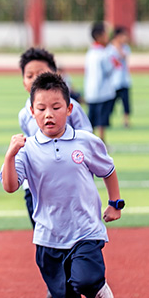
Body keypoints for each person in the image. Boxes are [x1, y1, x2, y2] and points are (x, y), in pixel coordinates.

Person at [0, 71, 123, 298]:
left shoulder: (85, 142)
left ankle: (96, 288)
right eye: (41, 109)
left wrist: (115, 204)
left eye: (56, 107)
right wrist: (9, 155)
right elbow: (10, 185)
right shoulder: (27, 150)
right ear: (31, 112)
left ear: (69, 109)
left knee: (85, 278)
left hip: (85, 229)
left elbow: (108, 170)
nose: (48, 114)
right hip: (48, 235)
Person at [19, 47, 93, 224]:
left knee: (74, 232)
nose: (36, 79)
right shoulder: (24, 114)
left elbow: (86, 137)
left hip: (69, 183)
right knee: (43, 235)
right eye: (29, 75)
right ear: (23, 82)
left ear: (56, 74)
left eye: (41, 73)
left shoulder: (71, 107)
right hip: (36, 186)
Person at [84, 22, 116, 142]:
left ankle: (90, 144)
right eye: (105, 33)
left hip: (91, 92)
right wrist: (114, 64)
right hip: (103, 92)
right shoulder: (104, 53)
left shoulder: (90, 52)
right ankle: (101, 144)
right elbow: (108, 69)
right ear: (99, 36)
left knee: (91, 121)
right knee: (101, 121)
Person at [109, 27, 133, 128]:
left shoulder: (125, 48)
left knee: (126, 102)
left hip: (124, 80)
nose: (125, 38)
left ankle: (126, 121)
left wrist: (119, 46)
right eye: (123, 36)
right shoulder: (109, 48)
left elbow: (123, 56)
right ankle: (107, 119)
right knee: (110, 103)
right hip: (113, 81)